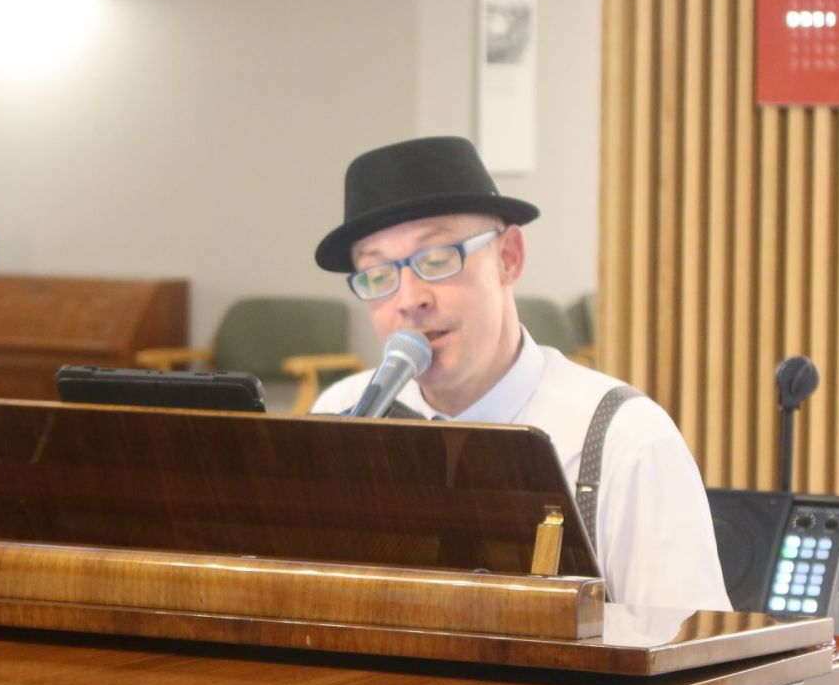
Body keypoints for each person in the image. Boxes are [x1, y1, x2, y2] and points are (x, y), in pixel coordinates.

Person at [311, 135, 729, 613]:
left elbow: (687, 647)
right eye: (378, 275)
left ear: (508, 257)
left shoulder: (624, 440)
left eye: (436, 260)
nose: (409, 299)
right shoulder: (341, 416)